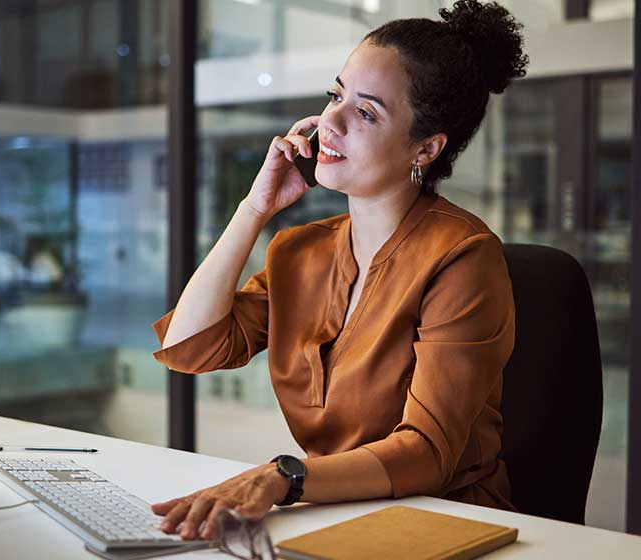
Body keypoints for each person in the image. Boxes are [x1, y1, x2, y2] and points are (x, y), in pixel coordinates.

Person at [150, 0, 529, 541]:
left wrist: (283, 477)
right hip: (334, 511)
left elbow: (427, 455)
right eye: (335, 95)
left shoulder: (463, 256)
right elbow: (192, 349)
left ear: (426, 147)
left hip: (446, 521)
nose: (330, 120)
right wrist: (253, 210)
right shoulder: (299, 251)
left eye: (366, 112)